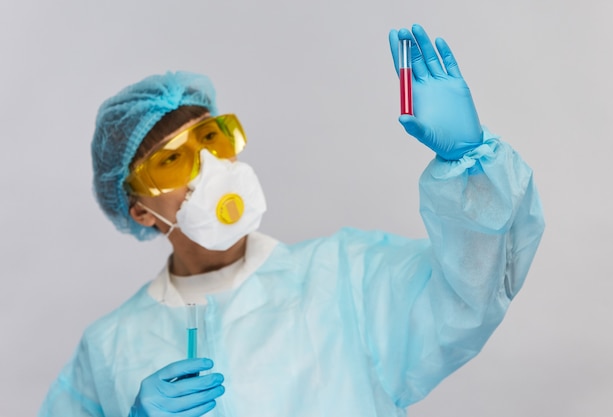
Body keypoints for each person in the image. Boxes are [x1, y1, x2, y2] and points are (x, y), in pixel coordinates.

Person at [39, 24, 544, 417]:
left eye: (213, 139)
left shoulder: (346, 281)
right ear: (140, 211)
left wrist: (471, 163)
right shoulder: (109, 350)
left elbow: (475, 290)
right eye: (173, 160)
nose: (210, 167)